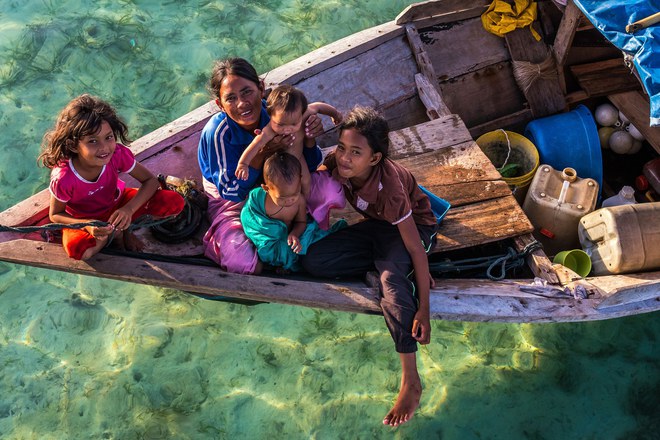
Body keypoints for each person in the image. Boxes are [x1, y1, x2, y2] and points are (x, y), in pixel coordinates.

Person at [301, 106, 438, 427]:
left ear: (374, 159)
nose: (345, 158)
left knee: (392, 285)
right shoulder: (338, 163)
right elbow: (311, 157)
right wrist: (320, 113)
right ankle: (388, 264)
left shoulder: (390, 190)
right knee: (314, 261)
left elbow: (416, 249)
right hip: (379, 227)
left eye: (356, 153)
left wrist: (425, 309)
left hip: (413, 230)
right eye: (342, 148)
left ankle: (411, 381)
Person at [197, 57, 344, 274]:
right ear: (220, 104)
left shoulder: (280, 112)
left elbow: (309, 165)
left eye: (247, 92)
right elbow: (231, 193)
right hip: (234, 199)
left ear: (261, 88)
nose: (241, 103)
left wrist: (310, 137)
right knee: (243, 263)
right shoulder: (218, 133)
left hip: (282, 185)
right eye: (230, 98)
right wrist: (265, 152)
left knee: (332, 193)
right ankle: (284, 245)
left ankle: (297, 229)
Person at [38, 94, 185, 260]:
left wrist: (128, 209)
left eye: (108, 137)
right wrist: (88, 226)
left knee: (175, 203)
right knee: (79, 251)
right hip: (84, 218)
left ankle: (122, 229)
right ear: (73, 145)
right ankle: (116, 233)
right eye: (92, 141)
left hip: (118, 203)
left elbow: (150, 181)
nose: (104, 148)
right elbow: (56, 214)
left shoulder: (117, 155)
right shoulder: (64, 178)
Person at [240, 151, 345, 272]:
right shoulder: (258, 199)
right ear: (266, 188)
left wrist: (294, 234)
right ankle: (278, 262)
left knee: (307, 243)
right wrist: (269, 232)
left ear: (300, 183)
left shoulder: (299, 200)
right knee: (264, 248)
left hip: (290, 235)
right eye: (282, 198)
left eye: (294, 195)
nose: (290, 201)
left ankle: (284, 264)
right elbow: (250, 218)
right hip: (269, 238)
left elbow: (301, 222)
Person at [235, 84, 341, 200]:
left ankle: (304, 204)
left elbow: (318, 106)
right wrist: (243, 164)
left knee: (306, 181)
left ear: (301, 114)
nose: (287, 129)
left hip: (298, 158)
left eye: (294, 124)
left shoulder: (304, 113)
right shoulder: (269, 130)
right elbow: (255, 145)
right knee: (280, 189)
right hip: (278, 166)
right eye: (280, 124)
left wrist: (334, 114)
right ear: (270, 115)